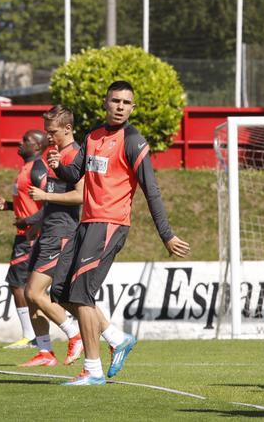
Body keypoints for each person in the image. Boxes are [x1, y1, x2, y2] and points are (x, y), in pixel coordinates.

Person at [48, 80, 191, 386]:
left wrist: (166, 234)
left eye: (126, 103)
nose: (120, 107)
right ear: (106, 102)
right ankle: (116, 337)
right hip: (86, 224)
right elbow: (77, 174)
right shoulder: (94, 136)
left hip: (110, 224)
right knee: (59, 291)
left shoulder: (134, 141)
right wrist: (59, 166)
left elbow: (151, 191)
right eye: (116, 101)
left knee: (82, 295)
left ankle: (93, 370)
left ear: (132, 108)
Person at [19, 106, 86, 367]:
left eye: (52, 131)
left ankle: (74, 334)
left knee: (36, 293)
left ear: (67, 129)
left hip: (62, 234)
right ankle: (45, 352)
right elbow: (54, 195)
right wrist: (39, 222)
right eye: (46, 131)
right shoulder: (54, 154)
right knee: (31, 293)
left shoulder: (76, 155)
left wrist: (45, 197)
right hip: (48, 230)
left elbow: (81, 195)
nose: (48, 136)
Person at [0, 130, 49, 350]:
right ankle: (34, 336)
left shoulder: (38, 169)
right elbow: (28, 202)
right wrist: (7, 206)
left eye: (25, 140)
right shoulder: (26, 168)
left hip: (32, 236)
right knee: (22, 286)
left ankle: (31, 335)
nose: (20, 141)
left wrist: (29, 220)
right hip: (23, 235)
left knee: (18, 285)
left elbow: (50, 204)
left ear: (36, 146)